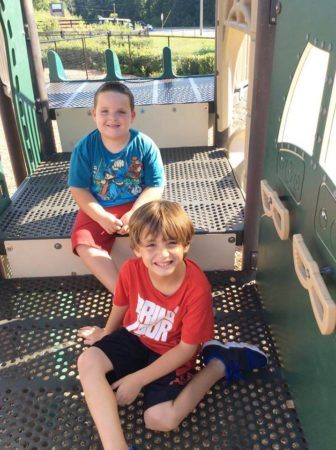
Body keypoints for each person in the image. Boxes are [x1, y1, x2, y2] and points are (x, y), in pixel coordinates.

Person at [77, 200, 268, 450]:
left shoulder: (196, 288)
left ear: (186, 245)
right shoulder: (131, 270)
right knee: (88, 361)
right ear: (137, 250)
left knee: (160, 419)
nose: (163, 254)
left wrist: (138, 379)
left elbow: (187, 349)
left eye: (171, 243)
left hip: (171, 351)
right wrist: (106, 332)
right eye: (151, 245)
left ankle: (220, 363)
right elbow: (121, 304)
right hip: (136, 338)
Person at [68, 81, 165, 294]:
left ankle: (160, 286)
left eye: (121, 111)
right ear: (93, 114)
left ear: (132, 115)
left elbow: (155, 186)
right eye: (104, 111)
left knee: (161, 234)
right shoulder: (85, 148)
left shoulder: (144, 145)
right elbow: (79, 189)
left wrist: (136, 212)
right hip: (99, 204)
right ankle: (124, 294)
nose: (112, 117)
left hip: (138, 203)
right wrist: (101, 216)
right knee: (83, 241)